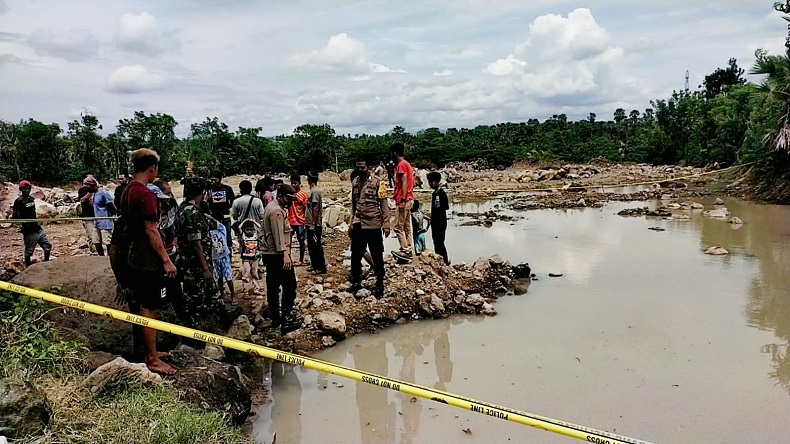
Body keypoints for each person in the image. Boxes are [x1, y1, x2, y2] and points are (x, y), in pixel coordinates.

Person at [119, 149, 177, 375]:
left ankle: (150, 352)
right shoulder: (145, 194)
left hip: (134, 257)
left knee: (144, 307)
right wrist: (166, 260)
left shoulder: (127, 191)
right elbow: (151, 230)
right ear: (152, 168)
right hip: (148, 261)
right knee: (150, 309)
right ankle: (152, 359)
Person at [177, 176, 229, 332]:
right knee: (194, 299)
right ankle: (194, 331)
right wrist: (205, 267)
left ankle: (222, 317)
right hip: (195, 264)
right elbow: (196, 243)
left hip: (197, 262)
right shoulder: (191, 212)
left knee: (212, 292)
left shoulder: (187, 208)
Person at [261, 184, 302, 334]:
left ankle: (276, 318)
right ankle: (286, 319)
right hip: (279, 255)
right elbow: (279, 235)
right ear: (280, 196)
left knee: (272, 286)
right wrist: (285, 254)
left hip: (270, 254)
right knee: (290, 285)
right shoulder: (277, 211)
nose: (291, 202)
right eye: (289, 198)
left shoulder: (270, 205)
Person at [350, 158, 390, 298]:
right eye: (358, 168)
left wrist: (386, 224)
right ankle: (356, 281)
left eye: (362, 167)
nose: (360, 170)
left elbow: (384, 204)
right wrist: (351, 222)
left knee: (377, 254)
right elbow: (354, 205)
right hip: (359, 223)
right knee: (355, 254)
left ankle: (380, 282)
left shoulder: (378, 183)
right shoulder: (355, 182)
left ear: (369, 167)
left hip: (373, 224)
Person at [12, 180, 52, 267]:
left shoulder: (31, 199)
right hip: (28, 230)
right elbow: (15, 216)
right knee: (29, 251)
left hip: (37, 228)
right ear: (21, 189)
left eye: (28, 188)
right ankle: (28, 267)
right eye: (24, 188)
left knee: (47, 246)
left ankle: (47, 263)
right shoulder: (19, 201)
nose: (27, 190)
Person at [390, 142, 415, 260]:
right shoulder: (407, 164)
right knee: (406, 226)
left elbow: (404, 182)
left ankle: (406, 250)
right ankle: (409, 247)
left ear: (395, 153)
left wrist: (402, 200)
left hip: (404, 199)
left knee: (398, 227)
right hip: (409, 198)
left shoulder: (401, 165)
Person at [84, 175, 117, 256]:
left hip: (105, 222)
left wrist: (109, 216)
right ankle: (101, 257)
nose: (87, 189)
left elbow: (112, 207)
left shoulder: (104, 193)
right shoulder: (94, 194)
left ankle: (110, 258)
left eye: (88, 187)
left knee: (107, 242)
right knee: (96, 241)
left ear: (92, 185)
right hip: (97, 222)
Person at [305, 172, 327, 274]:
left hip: (314, 224)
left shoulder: (314, 192)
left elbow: (315, 208)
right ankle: (314, 265)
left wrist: (313, 223)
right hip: (311, 223)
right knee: (311, 245)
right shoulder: (314, 191)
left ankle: (320, 267)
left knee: (316, 245)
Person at [209, 216, 234, 301]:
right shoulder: (208, 233)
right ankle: (222, 294)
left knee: (228, 277)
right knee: (219, 277)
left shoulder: (221, 229)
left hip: (224, 256)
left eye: (212, 222)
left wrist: (205, 215)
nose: (210, 223)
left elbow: (214, 220)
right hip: (215, 258)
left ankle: (232, 296)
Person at [428, 171, 450, 265]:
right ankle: (439, 261)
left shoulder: (441, 193)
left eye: (430, 182)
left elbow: (446, 206)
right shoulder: (434, 194)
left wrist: (439, 206)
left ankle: (445, 261)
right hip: (434, 222)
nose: (430, 184)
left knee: (440, 242)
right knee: (436, 242)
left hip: (440, 221)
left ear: (436, 182)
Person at [208, 171, 235, 248]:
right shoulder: (210, 190)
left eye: (215, 180)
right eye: (212, 180)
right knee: (216, 237)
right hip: (214, 216)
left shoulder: (227, 189)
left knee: (227, 234)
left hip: (226, 215)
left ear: (220, 179)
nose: (213, 182)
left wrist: (228, 207)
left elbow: (233, 200)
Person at [287, 174, 308, 265]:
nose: (293, 185)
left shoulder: (303, 194)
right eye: (292, 183)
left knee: (301, 241)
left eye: (295, 183)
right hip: (291, 220)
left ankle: (301, 259)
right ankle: (288, 258)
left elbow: (306, 208)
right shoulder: (289, 194)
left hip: (300, 221)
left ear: (299, 183)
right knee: (288, 241)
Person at [239, 219, 263, 293]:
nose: (249, 231)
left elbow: (260, 228)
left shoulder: (256, 235)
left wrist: (254, 221)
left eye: (251, 230)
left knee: (254, 273)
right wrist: (245, 220)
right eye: (247, 230)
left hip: (255, 258)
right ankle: (246, 290)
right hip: (246, 258)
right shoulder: (243, 236)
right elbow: (239, 227)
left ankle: (256, 288)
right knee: (247, 272)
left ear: (253, 230)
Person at [77, 180, 96, 253]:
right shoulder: (82, 190)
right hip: (87, 216)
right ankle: (93, 251)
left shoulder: (97, 190)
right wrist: (89, 194)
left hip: (97, 215)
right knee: (91, 235)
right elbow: (82, 200)